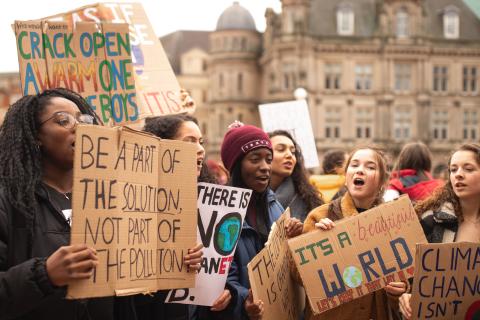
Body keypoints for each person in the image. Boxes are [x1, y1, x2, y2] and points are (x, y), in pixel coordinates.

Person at [0, 88, 134, 319]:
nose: (78, 127)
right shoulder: (10, 200)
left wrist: (174, 260)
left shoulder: (109, 198)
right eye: (63, 120)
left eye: (84, 120)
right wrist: (45, 275)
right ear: (36, 136)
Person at [301, 147, 407, 320]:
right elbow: (299, 277)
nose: (360, 170)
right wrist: (315, 244)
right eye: (354, 165)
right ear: (346, 177)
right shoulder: (319, 216)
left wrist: (398, 291)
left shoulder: (392, 224)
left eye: (370, 167)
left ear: (382, 182)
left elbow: (403, 296)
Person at [142, 114, 228, 319]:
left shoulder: (210, 203)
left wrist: (226, 291)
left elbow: (220, 267)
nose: (200, 149)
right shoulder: (137, 201)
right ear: (162, 146)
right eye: (189, 142)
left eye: (201, 142)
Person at [220, 122, 303, 320]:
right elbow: (222, 278)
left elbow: (287, 265)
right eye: (255, 159)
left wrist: (294, 238)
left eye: (268, 159)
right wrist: (245, 303)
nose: (265, 167)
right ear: (236, 165)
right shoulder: (222, 215)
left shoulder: (275, 206)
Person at [398, 143, 480, 320]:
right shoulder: (431, 220)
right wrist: (407, 295)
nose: (458, 174)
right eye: (453, 169)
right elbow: (412, 277)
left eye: (468, 168)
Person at [268, 130, 323, 222]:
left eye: (293, 152)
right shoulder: (249, 196)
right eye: (281, 149)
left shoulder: (309, 199)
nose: (289, 155)